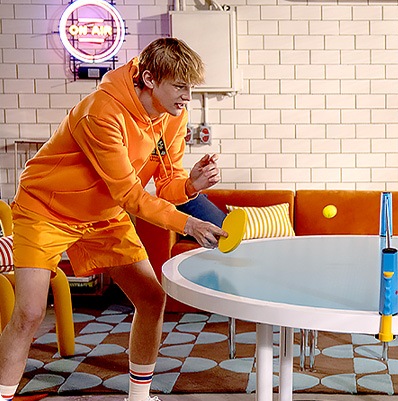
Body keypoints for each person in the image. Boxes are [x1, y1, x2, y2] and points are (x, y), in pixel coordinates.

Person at [0, 38, 227, 401]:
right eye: (180, 86)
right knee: (28, 314)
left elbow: (166, 184)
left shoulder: (172, 115)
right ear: (150, 79)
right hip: (46, 210)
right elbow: (130, 195)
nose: (187, 97)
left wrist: (191, 186)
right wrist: (188, 224)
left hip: (104, 215)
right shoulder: (101, 113)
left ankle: (139, 397)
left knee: (152, 299)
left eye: (190, 87)